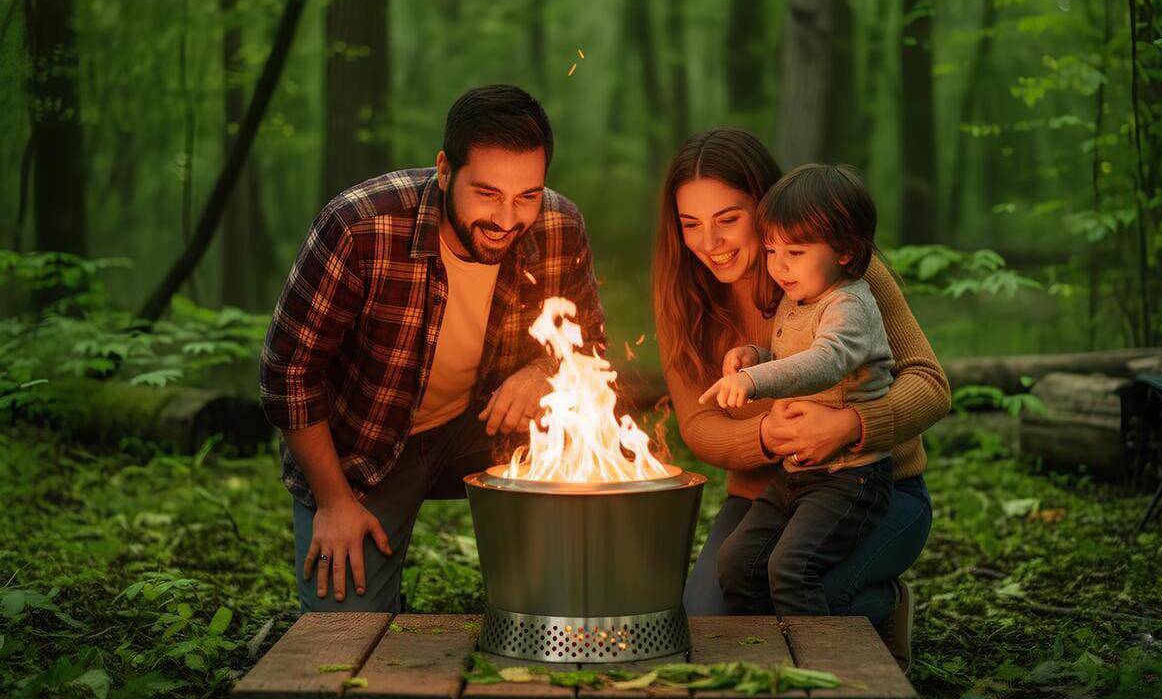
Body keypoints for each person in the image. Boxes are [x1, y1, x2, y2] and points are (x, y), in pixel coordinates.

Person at [260, 84, 604, 613]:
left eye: (527, 196)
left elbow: (590, 345)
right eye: (487, 193)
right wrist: (332, 501)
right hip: (366, 445)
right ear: (444, 171)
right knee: (344, 633)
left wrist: (544, 371)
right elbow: (287, 373)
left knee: (585, 446)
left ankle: (550, 592)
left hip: (486, 427)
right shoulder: (360, 226)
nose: (507, 218)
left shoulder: (560, 226)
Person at [651, 128, 950, 671]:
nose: (709, 242)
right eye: (690, 224)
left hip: (871, 485)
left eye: (728, 219)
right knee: (712, 620)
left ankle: (880, 607)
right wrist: (766, 436)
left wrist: (852, 425)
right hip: (771, 494)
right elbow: (698, 426)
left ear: (764, 208)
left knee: (805, 596)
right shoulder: (682, 290)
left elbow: (930, 384)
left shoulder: (838, 266)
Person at [700, 164, 895, 618]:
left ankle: (816, 654)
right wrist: (756, 357)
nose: (779, 265)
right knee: (737, 563)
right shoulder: (798, 298)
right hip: (795, 473)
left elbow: (827, 362)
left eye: (796, 252)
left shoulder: (849, 304)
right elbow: (794, 357)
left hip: (850, 478)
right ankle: (765, 648)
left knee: (791, 568)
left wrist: (754, 381)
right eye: (772, 250)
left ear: (845, 251)